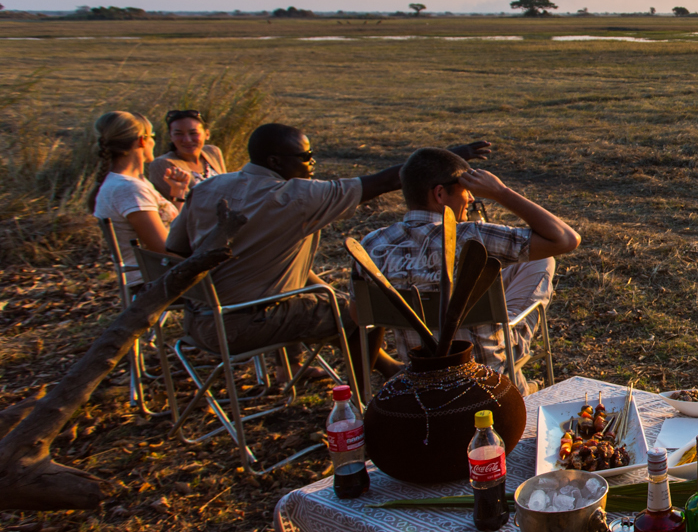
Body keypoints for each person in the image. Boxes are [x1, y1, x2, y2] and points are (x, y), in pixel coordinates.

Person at [165, 123, 491, 380]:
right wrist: (449, 158)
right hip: (241, 325)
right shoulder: (298, 196)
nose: (312, 163)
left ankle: (361, 368)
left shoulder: (208, 186)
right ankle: (369, 398)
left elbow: (174, 251)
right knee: (363, 309)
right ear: (276, 162)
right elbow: (387, 180)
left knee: (318, 297)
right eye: (305, 157)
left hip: (196, 320)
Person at [361, 148, 581, 389]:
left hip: (420, 371)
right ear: (440, 194)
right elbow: (565, 239)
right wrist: (500, 192)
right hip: (486, 371)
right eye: (467, 191)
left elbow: (358, 313)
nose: (471, 199)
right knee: (542, 260)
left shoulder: (371, 245)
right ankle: (517, 389)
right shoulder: (474, 237)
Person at [90, 111, 189, 283]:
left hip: (162, 275)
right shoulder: (129, 189)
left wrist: (178, 194)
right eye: (153, 136)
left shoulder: (132, 183)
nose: (154, 141)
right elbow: (165, 249)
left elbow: (172, 231)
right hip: (158, 281)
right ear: (142, 140)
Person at [146, 108, 226, 204]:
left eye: (193, 133)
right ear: (171, 136)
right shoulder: (163, 164)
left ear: (207, 134)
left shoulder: (212, 152)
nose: (187, 140)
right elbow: (181, 207)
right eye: (179, 134)